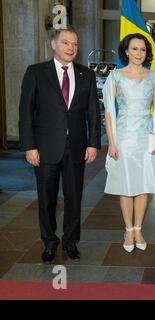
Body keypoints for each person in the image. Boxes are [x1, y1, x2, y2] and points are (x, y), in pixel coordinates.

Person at [19, 26, 101, 264]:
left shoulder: (87, 74)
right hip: (44, 148)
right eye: (66, 43)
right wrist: (29, 146)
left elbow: (93, 113)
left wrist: (93, 143)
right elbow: (26, 113)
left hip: (76, 146)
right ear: (54, 44)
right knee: (47, 198)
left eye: (74, 43)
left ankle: (70, 242)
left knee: (74, 197)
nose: (71, 48)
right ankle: (49, 242)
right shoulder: (36, 73)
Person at [103, 33, 155, 253]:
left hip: (146, 136)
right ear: (126, 51)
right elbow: (109, 112)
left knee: (143, 186)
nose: (139, 53)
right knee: (126, 186)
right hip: (124, 138)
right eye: (135, 49)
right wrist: (111, 142)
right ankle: (128, 229)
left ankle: (139, 228)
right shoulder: (115, 77)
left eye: (143, 49)